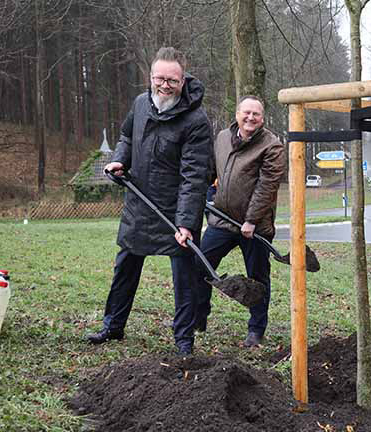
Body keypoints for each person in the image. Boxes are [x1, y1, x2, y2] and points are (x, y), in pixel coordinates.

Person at [86, 47, 212, 356]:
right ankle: (113, 326)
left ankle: (184, 340)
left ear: (183, 80)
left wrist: (186, 223)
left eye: (172, 80)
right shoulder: (141, 104)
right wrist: (120, 160)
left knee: (184, 278)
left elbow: (195, 177)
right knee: (125, 268)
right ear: (151, 77)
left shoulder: (196, 120)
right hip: (139, 203)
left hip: (175, 211)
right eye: (159, 79)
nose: (165, 85)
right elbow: (127, 137)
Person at [195, 95, 286, 347]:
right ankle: (198, 317)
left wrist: (251, 220)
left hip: (254, 227)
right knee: (200, 265)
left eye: (256, 114)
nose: (250, 118)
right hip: (222, 221)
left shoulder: (272, 146)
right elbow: (211, 171)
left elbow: (267, 187)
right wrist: (203, 195)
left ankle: (256, 329)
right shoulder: (223, 137)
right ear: (237, 114)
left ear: (262, 119)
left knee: (257, 278)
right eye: (246, 112)